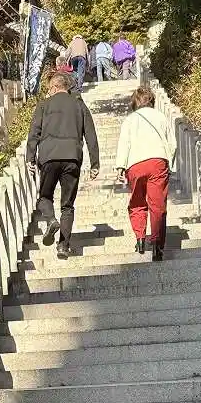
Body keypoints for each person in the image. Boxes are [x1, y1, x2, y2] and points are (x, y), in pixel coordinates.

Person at [27, 71, 100, 259]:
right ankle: (63, 246)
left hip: (49, 157)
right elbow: (91, 135)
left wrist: (30, 158)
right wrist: (95, 163)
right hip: (72, 158)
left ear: (54, 87)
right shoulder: (79, 105)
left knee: (45, 197)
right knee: (67, 206)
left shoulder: (43, 105)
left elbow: (34, 133)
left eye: (49, 88)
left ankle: (51, 220)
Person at [115, 85, 175, 261]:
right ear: (152, 101)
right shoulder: (161, 117)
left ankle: (140, 239)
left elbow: (124, 144)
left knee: (137, 201)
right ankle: (157, 244)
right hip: (157, 161)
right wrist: (170, 163)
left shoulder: (129, 120)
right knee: (157, 204)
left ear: (135, 102)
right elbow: (172, 144)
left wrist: (120, 167)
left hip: (135, 165)